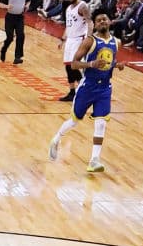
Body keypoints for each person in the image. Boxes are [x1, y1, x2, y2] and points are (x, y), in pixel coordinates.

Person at [48, 9, 125, 173]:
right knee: (74, 120)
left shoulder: (116, 42)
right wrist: (91, 64)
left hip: (104, 88)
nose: (103, 21)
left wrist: (116, 65)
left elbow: (109, 61)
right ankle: (56, 139)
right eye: (99, 20)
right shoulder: (89, 41)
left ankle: (94, 160)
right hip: (87, 86)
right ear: (95, 24)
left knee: (101, 123)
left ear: (110, 21)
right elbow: (74, 64)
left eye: (105, 18)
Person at [58, 0, 92, 101]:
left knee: (74, 66)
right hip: (70, 39)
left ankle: (85, 88)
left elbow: (90, 22)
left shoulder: (82, 6)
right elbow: (68, 26)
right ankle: (72, 92)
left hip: (79, 39)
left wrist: (89, 38)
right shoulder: (68, 8)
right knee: (68, 67)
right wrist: (62, 39)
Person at [0, 0, 27, 64]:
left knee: (21, 35)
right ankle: (3, 50)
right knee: (10, 37)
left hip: (19, 18)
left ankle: (17, 57)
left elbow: (28, 1)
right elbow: (0, 5)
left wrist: (27, 6)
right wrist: (7, 6)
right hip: (10, 18)